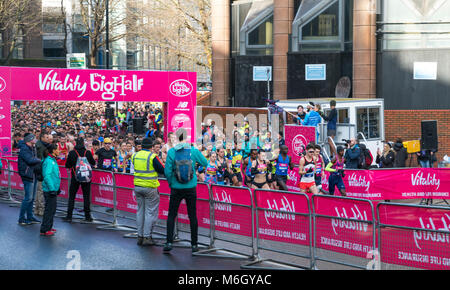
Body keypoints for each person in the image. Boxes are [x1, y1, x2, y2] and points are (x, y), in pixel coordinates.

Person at [163, 128, 208, 253]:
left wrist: (172, 183)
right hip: (191, 187)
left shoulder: (172, 152)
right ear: (187, 137)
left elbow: (167, 171)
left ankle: (168, 242)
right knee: (192, 215)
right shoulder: (193, 150)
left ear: (177, 138)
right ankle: (194, 245)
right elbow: (205, 162)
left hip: (176, 188)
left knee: (172, 215)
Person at [131, 137, 165, 246]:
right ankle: (147, 237)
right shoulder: (152, 156)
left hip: (137, 186)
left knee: (140, 211)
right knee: (150, 212)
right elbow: (161, 170)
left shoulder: (135, 155)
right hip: (150, 187)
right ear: (151, 147)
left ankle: (140, 236)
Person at [63, 137, 96, 223]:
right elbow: (93, 162)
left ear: (76, 144)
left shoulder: (72, 153)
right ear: (83, 143)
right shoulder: (87, 152)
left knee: (72, 196)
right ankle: (87, 216)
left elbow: (67, 165)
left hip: (75, 176)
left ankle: (69, 216)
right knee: (86, 196)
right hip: (86, 177)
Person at [18, 133, 42, 225]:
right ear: (29, 140)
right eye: (33, 138)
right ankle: (21, 218)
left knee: (31, 198)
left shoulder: (32, 147)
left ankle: (30, 216)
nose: (35, 139)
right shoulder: (24, 149)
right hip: (27, 175)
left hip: (33, 174)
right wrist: (40, 160)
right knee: (28, 198)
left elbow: (33, 159)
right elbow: (30, 160)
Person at [40, 143, 61, 236]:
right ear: (53, 150)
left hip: (53, 188)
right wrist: (52, 188)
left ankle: (48, 226)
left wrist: (57, 188)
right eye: (58, 149)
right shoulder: (49, 161)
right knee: (49, 209)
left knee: (52, 209)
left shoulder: (52, 159)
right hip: (49, 190)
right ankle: (44, 229)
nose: (59, 150)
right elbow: (47, 176)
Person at [35, 132, 53, 217]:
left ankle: (37, 208)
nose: (48, 139)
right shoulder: (41, 146)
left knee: (39, 191)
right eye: (46, 137)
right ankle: (40, 209)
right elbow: (42, 159)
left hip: (40, 169)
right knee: (41, 191)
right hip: (41, 170)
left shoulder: (42, 145)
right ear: (42, 138)